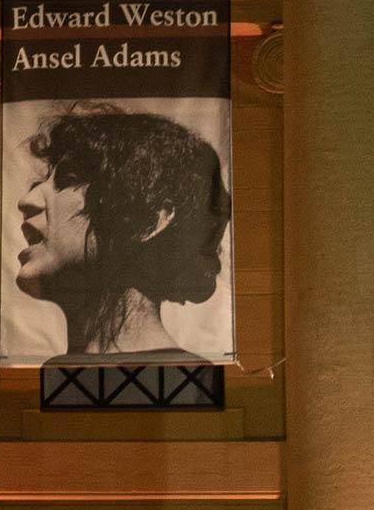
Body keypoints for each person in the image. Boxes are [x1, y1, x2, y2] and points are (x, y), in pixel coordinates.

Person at [14, 105, 231, 357]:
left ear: (149, 220)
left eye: (70, 177)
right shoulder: (55, 373)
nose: (27, 201)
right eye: (41, 183)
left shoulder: (183, 378)